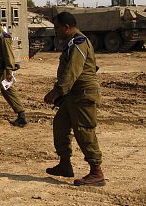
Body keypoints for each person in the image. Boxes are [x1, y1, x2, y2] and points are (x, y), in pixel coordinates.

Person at [43, 11, 105, 186]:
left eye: (57, 28)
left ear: (66, 27)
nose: (55, 31)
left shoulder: (79, 42)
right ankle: (65, 164)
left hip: (82, 94)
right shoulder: (73, 43)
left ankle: (96, 172)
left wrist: (57, 91)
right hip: (73, 95)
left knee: (84, 131)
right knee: (60, 125)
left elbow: (73, 70)